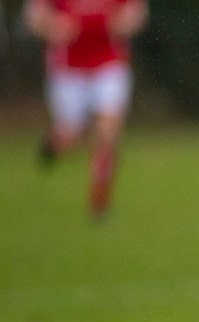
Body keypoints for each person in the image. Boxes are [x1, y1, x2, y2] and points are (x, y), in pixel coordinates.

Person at [23, 0, 148, 219]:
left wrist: (125, 22)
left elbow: (137, 13)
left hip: (109, 62)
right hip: (68, 69)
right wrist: (52, 26)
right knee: (72, 137)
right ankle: (54, 144)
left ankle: (99, 203)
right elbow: (33, 17)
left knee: (108, 131)